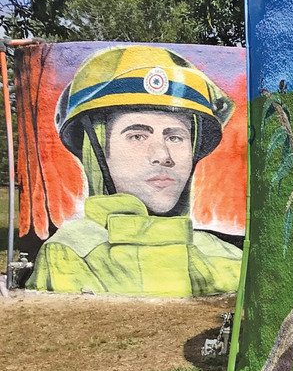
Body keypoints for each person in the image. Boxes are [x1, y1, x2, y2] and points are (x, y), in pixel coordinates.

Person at [27, 45, 242, 296]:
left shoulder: (227, 256)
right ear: (95, 151)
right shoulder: (69, 252)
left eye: (175, 137)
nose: (163, 156)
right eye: (137, 135)